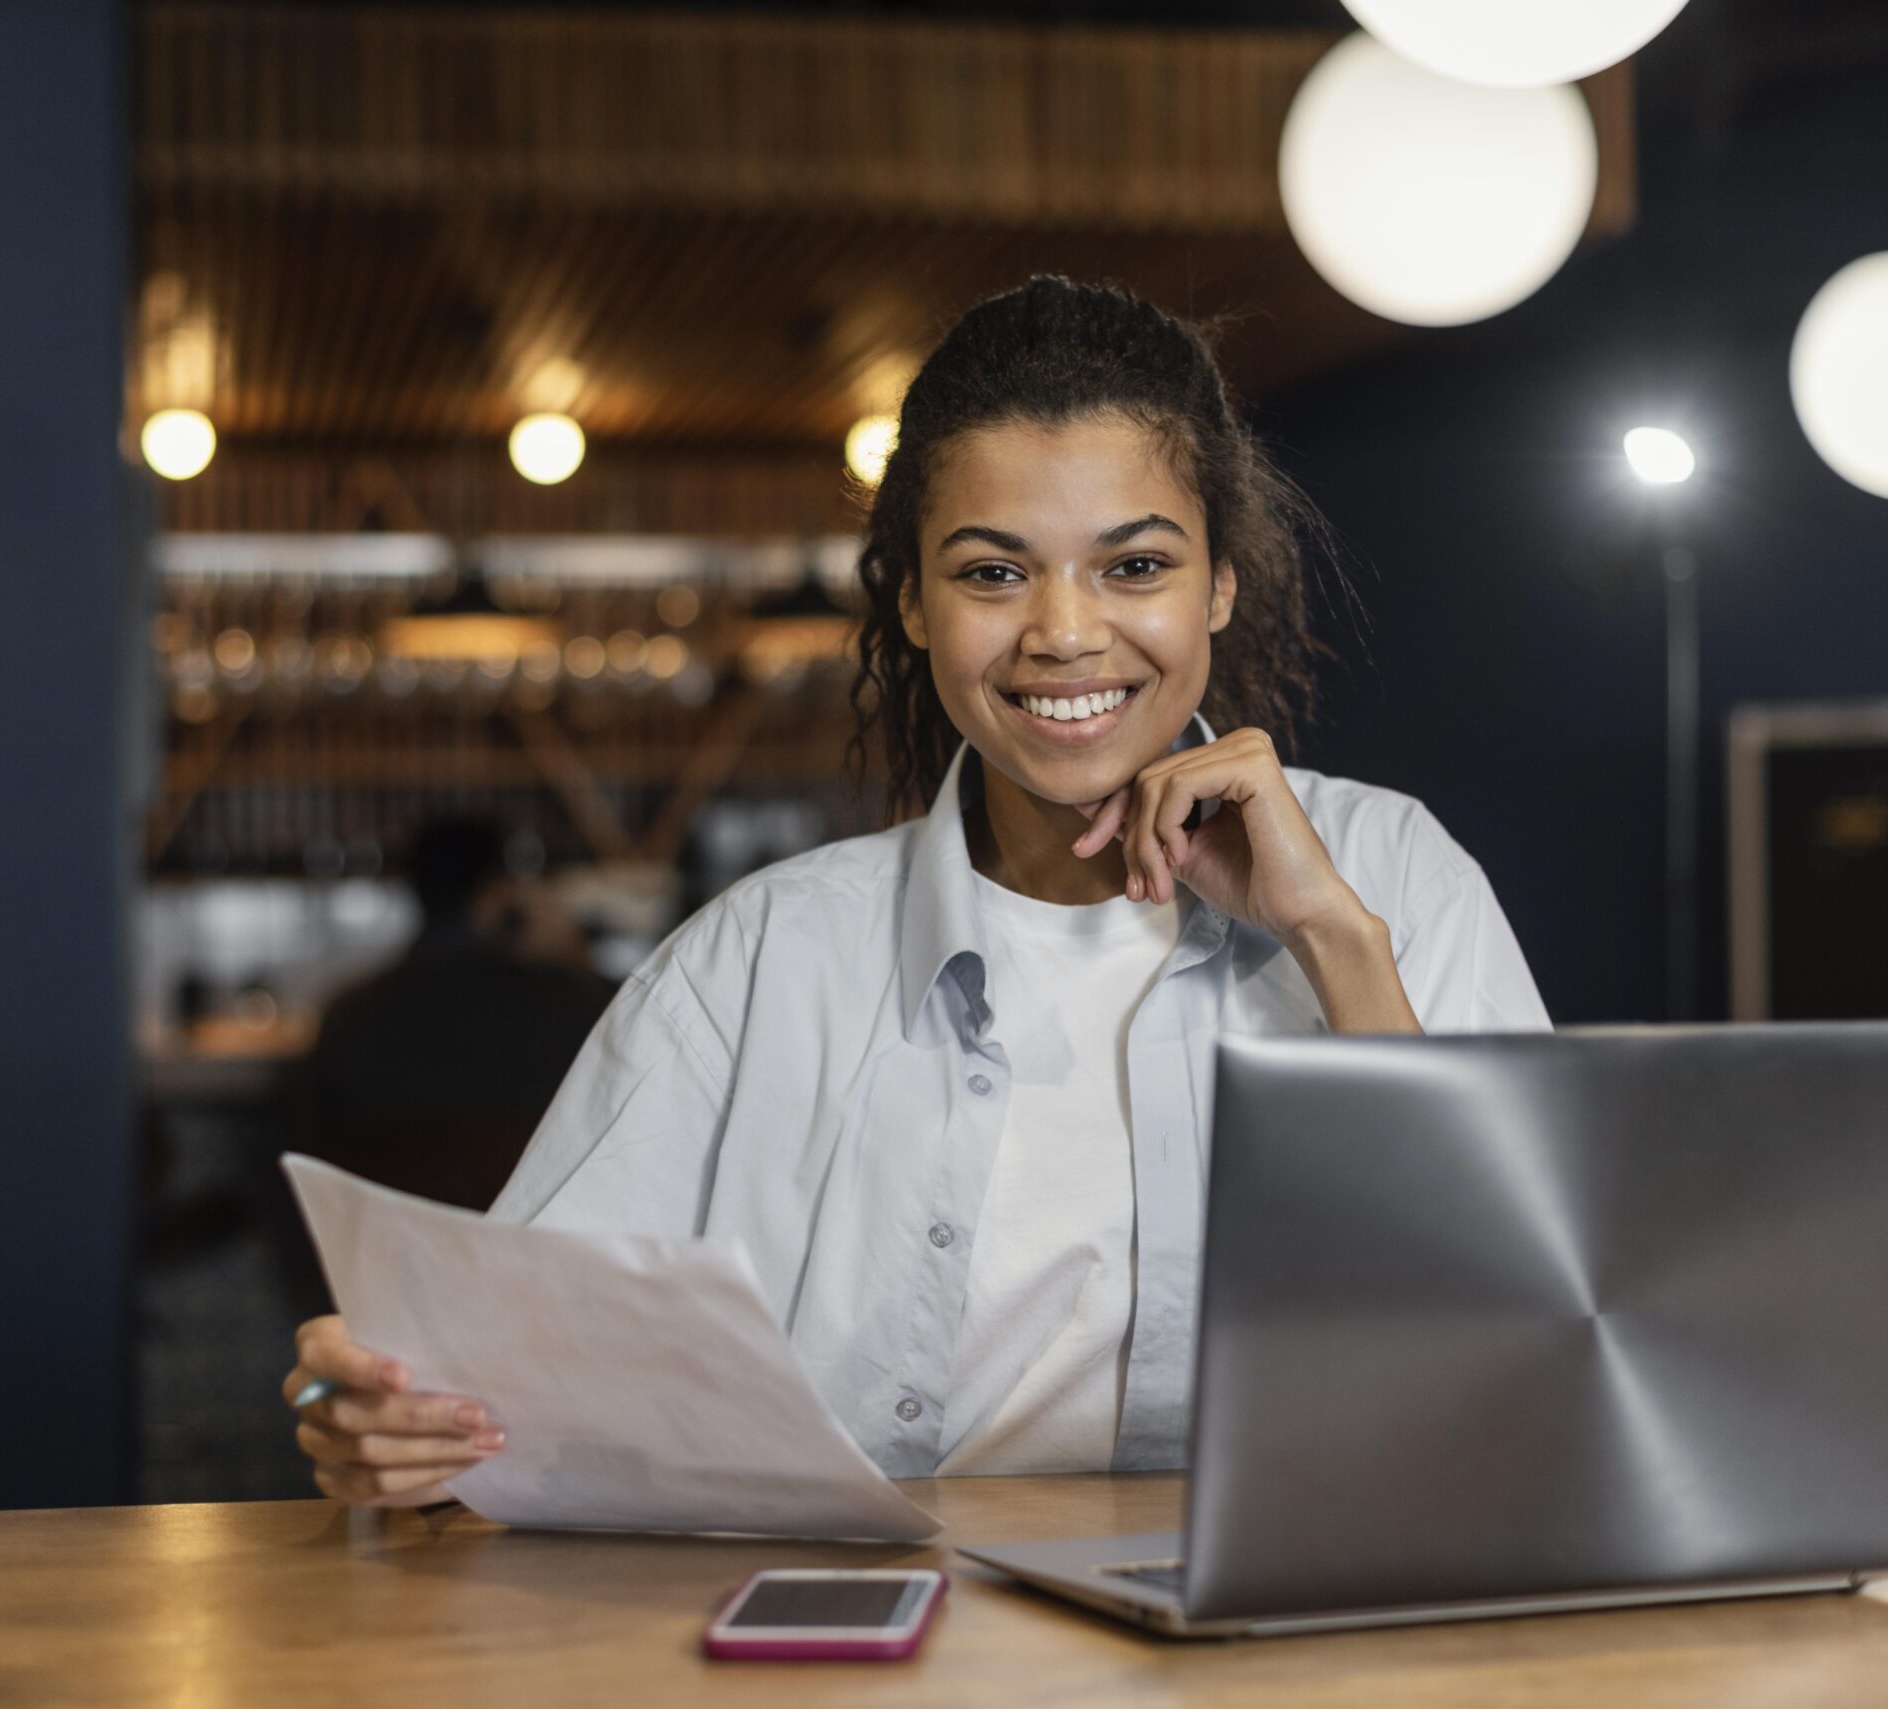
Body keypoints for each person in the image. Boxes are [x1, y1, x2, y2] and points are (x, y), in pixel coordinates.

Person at [283, 277, 1550, 1507]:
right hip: (877, 1644)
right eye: (994, 572)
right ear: (913, 598)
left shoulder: (1391, 880)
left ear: (1217, 584)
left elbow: (1531, 1341)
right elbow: (500, 1371)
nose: (1061, 632)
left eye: (1134, 566)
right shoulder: (759, 957)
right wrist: (388, 1420)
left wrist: (1332, 940)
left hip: (1295, 1634)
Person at [288, 819, 615, 1219]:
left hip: (386, 1260)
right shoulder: (570, 1001)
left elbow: (308, 1151)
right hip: (530, 1262)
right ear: (499, 896)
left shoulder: (350, 1013)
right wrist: (572, 952)